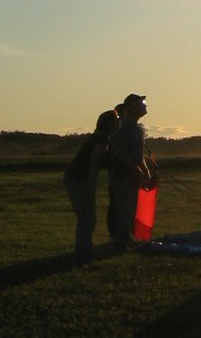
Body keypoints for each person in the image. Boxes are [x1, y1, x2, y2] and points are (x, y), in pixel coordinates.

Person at [63, 106, 119, 264]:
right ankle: (83, 254)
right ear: (108, 123)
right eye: (116, 119)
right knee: (87, 218)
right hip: (78, 179)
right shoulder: (102, 139)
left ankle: (84, 251)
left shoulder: (102, 138)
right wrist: (91, 189)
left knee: (88, 218)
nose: (118, 122)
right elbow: (93, 164)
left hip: (77, 178)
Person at [109, 93, 154, 251]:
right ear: (133, 108)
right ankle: (121, 242)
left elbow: (138, 154)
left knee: (132, 210)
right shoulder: (124, 128)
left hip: (134, 176)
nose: (145, 106)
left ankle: (127, 239)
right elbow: (121, 154)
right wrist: (136, 171)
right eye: (142, 103)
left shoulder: (137, 128)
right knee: (124, 211)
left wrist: (146, 171)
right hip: (123, 176)